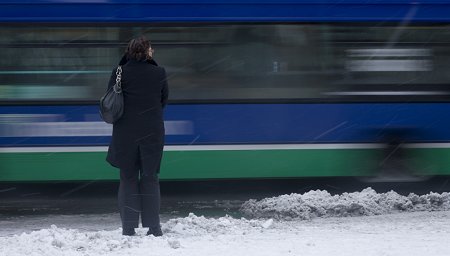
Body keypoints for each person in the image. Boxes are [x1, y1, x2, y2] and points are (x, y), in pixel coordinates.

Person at [106, 36, 169, 236]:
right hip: (152, 132)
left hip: (125, 133)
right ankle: (154, 227)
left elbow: (110, 99)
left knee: (127, 178)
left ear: (128, 52)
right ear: (148, 52)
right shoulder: (159, 72)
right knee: (150, 178)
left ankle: (129, 227)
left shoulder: (119, 72)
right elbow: (163, 100)